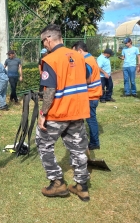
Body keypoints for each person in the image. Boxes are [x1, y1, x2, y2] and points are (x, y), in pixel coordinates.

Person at [36, 24, 91, 202]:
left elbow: (49, 90)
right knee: (78, 148)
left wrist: (43, 113)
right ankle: (81, 186)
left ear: (49, 39)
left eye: (44, 41)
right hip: (77, 111)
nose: (44, 44)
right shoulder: (80, 57)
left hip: (58, 113)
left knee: (44, 145)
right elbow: (88, 78)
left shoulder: (51, 60)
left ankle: (57, 182)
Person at [72, 41, 102, 150]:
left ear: (79, 50)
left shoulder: (86, 61)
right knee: (89, 118)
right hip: (94, 94)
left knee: (91, 119)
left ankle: (94, 143)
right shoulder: (92, 58)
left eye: (74, 52)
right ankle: (86, 136)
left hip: (90, 95)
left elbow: (88, 80)